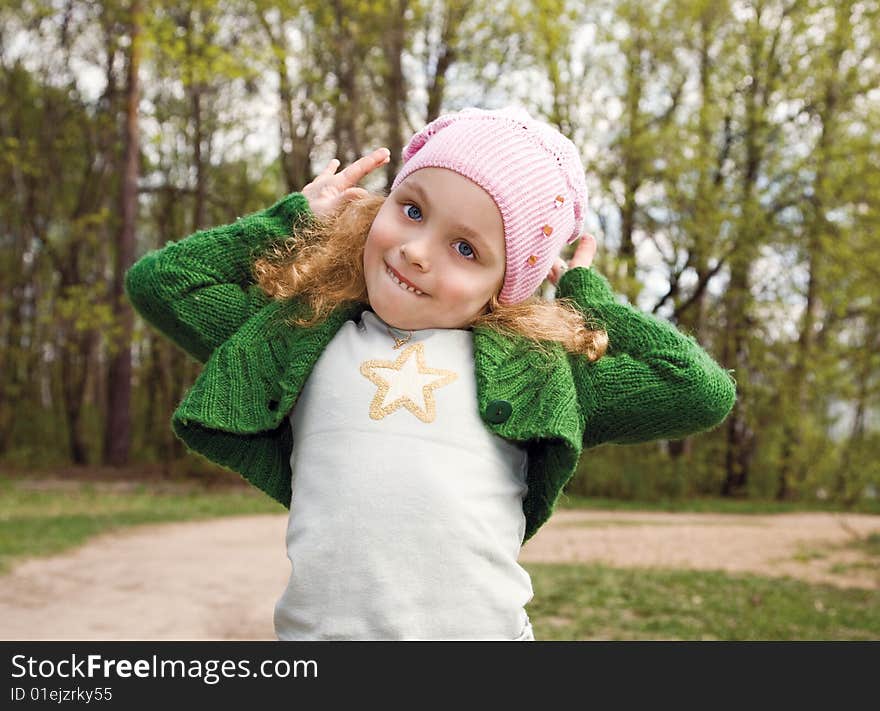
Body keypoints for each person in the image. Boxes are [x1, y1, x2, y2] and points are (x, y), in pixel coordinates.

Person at [125, 107, 736, 641]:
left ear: (506, 287)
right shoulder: (302, 334)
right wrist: (290, 217)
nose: (418, 250)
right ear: (381, 204)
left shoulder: (539, 376)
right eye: (412, 209)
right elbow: (162, 283)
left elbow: (700, 391)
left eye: (466, 249)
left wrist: (585, 297)